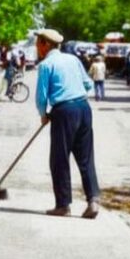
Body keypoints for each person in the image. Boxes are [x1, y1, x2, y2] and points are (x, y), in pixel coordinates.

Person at [34, 28, 100, 218]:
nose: (37, 47)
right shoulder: (72, 59)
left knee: (59, 159)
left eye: (38, 43)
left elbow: (41, 97)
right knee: (86, 158)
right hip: (83, 107)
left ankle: (63, 205)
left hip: (64, 111)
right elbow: (88, 84)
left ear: (46, 44)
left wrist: (43, 114)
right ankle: (93, 200)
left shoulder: (46, 65)